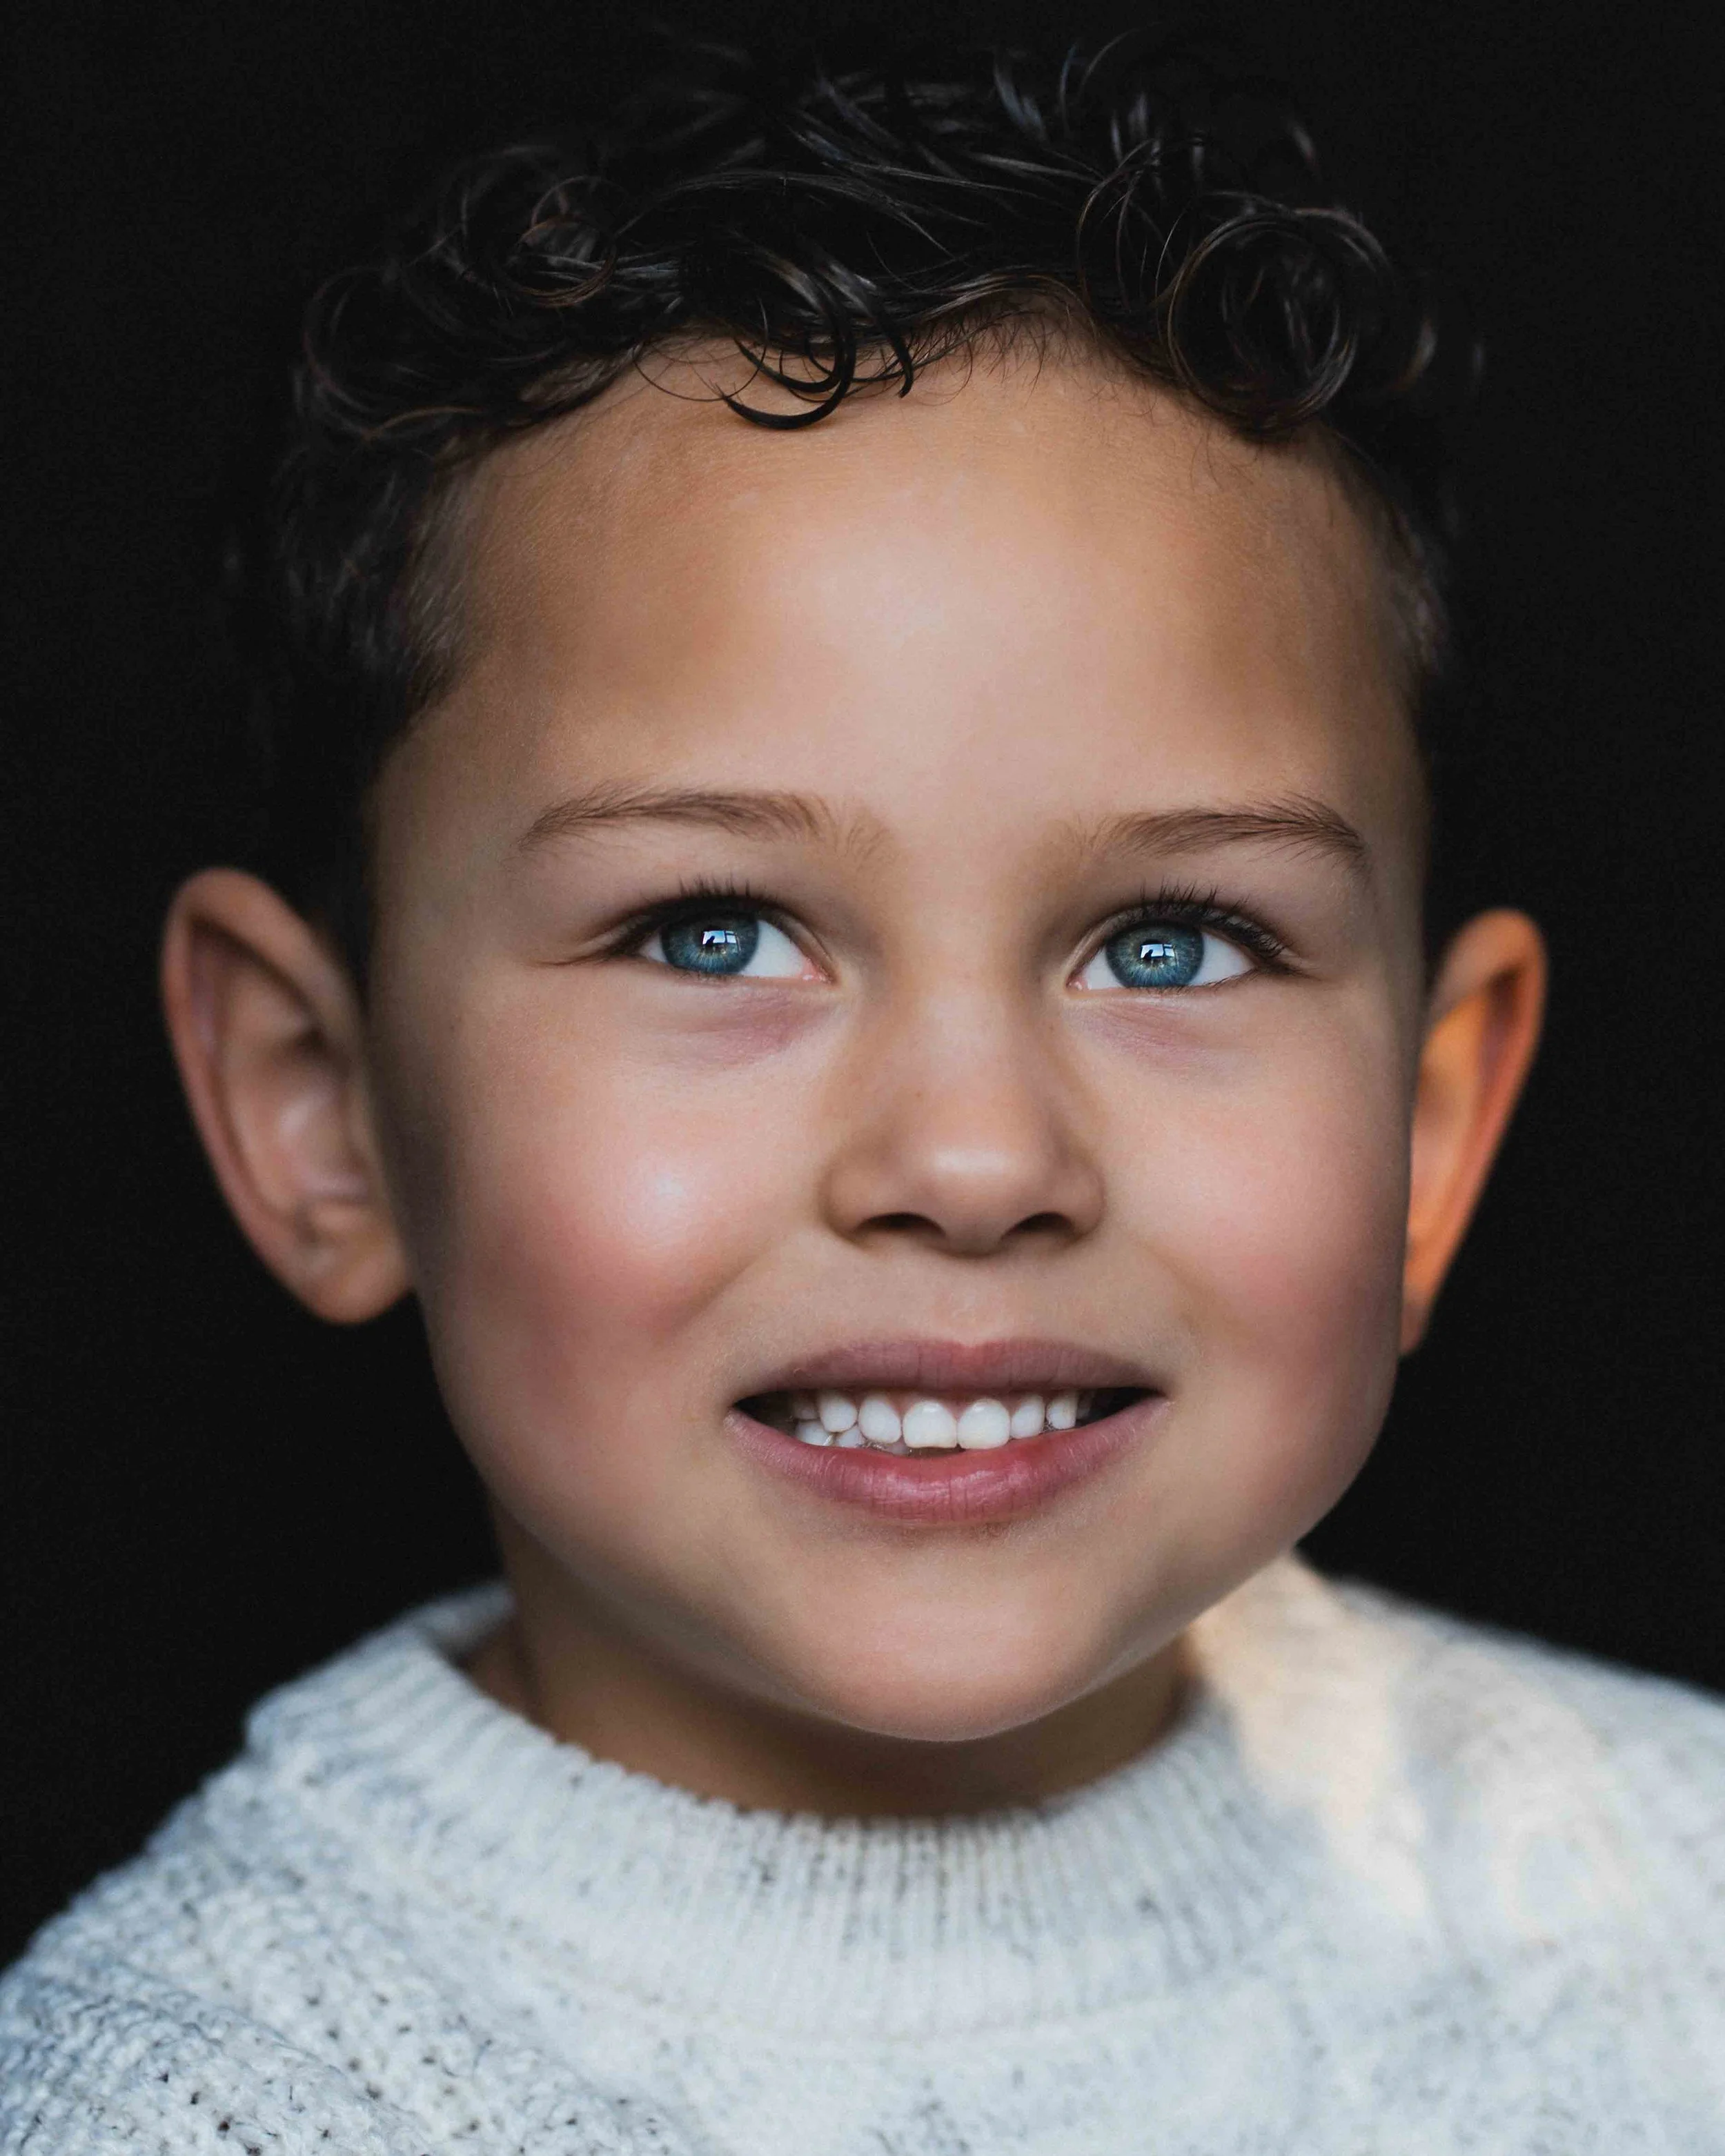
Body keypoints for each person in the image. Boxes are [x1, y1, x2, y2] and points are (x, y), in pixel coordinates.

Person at [3, 32, 1721, 2153]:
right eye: (714, 931)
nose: (976, 1159)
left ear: (1429, 1144)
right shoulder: (201, 2100)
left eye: (1170, 941)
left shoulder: (1677, 1903)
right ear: (318, 1107)